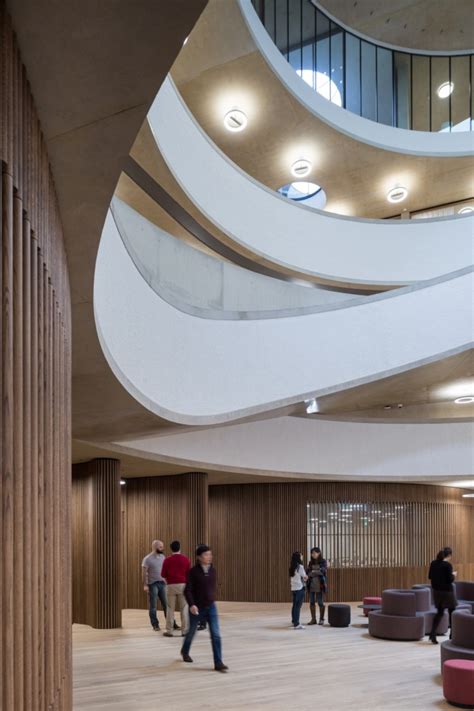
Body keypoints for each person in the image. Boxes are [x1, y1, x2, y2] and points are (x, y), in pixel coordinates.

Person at [181, 544, 228, 672]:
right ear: (199, 557)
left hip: (211, 607)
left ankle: (218, 663)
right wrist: (192, 605)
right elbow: (187, 590)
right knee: (191, 632)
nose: (209, 557)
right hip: (197, 608)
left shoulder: (213, 570)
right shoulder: (193, 572)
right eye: (206, 555)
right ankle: (185, 651)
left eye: (210, 554)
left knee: (216, 634)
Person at [161, 540, 191, 637]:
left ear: (171, 549)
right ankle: (185, 631)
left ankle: (169, 631)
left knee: (170, 608)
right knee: (184, 608)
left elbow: (163, 574)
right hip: (183, 585)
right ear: (179, 548)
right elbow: (188, 574)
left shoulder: (167, 560)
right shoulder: (186, 559)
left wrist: (167, 581)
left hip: (170, 586)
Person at [428, 546, 457, 644]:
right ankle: (452, 636)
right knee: (452, 613)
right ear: (449, 555)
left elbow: (430, 576)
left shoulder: (433, 563)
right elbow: (450, 580)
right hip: (447, 593)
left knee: (440, 613)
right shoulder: (448, 565)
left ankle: (432, 634)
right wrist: (453, 575)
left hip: (436, 592)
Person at [142, 540, 168, 631]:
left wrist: (166, 580)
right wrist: (145, 585)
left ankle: (171, 623)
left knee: (166, 605)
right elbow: (144, 573)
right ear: (155, 547)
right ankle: (155, 625)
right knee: (153, 606)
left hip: (162, 583)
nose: (162, 548)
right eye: (160, 547)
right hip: (152, 584)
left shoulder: (163, 557)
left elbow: (164, 570)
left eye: (162, 546)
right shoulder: (147, 559)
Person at [306, 547, 328, 626]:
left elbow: (323, 571)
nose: (313, 554)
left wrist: (313, 571)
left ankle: (321, 619)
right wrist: (316, 572)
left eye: (314, 553)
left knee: (320, 602)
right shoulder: (310, 562)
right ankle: (313, 619)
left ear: (319, 553)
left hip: (320, 585)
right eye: (312, 553)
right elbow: (307, 572)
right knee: (311, 602)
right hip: (311, 585)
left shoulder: (323, 561)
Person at [289, 551, 307, 629]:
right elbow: (304, 576)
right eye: (301, 556)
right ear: (298, 558)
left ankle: (294, 620)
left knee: (294, 605)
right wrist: (307, 577)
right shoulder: (300, 567)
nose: (302, 557)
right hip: (300, 588)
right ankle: (297, 624)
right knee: (298, 606)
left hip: (293, 588)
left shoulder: (291, 567)